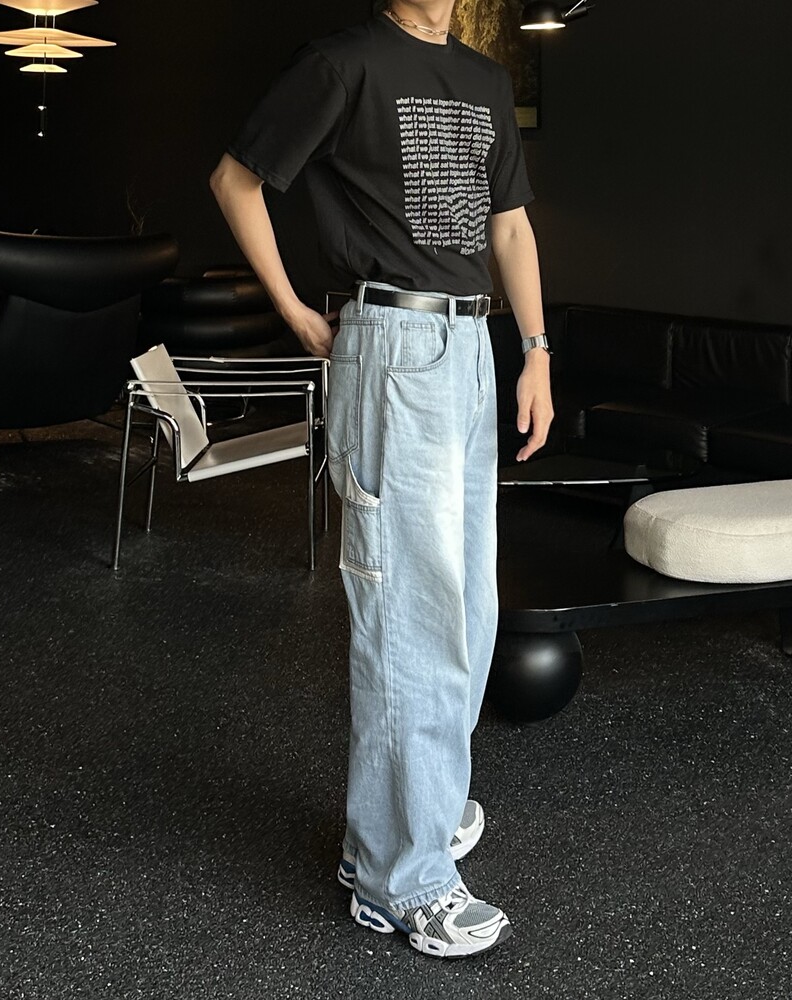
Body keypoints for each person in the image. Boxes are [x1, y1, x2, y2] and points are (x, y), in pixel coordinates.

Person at [210, 0, 553, 959]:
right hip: (392, 342)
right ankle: (401, 880)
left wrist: (535, 351)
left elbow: (511, 227)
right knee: (408, 610)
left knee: (468, 608)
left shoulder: (484, 80)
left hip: (472, 345)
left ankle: (411, 817)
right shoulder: (343, 63)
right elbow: (236, 181)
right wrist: (293, 309)